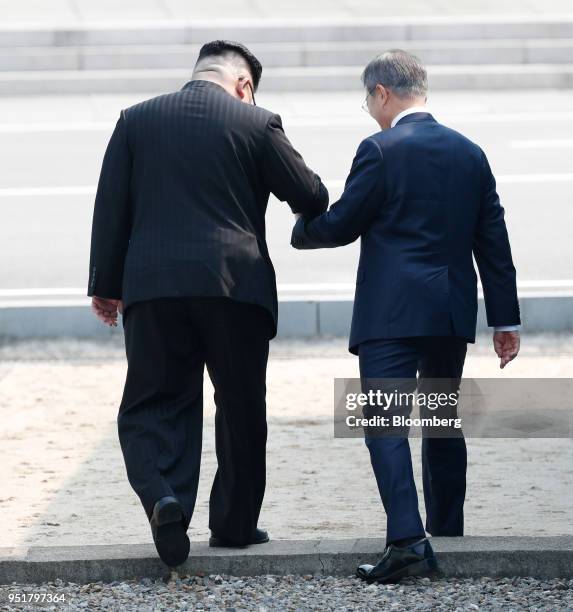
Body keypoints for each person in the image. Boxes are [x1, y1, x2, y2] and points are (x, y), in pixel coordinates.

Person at [87, 40, 328, 567]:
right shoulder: (257, 123)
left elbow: (111, 204)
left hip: (154, 288)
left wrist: (105, 284)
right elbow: (310, 195)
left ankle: (163, 497)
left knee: (153, 402)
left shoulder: (136, 120)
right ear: (244, 86)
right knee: (241, 405)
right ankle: (235, 525)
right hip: (235, 286)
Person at [291, 49, 520, 584]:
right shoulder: (470, 152)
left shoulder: (379, 149)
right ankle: (446, 533)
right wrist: (505, 321)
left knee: (385, 426)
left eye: (366, 98)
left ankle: (407, 541)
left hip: (390, 313)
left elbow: (344, 222)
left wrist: (303, 228)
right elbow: (494, 241)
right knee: (441, 421)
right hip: (448, 311)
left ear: (381, 94)